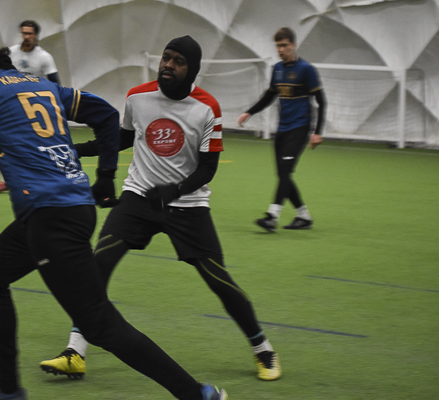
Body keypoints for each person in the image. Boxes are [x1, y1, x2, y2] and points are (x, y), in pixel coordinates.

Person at [0, 9, 226, 400]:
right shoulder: (36, 84)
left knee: (99, 324)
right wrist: (105, 175)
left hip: (51, 219)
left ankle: (197, 394)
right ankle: (7, 386)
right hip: (64, 209)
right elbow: (105, 115)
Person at [40, 35, 281, 383]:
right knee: (97, 266)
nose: (168, 65)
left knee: (218, 280)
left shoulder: (207, 108)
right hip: (138, 198)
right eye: (166, 58)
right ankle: (75, 351)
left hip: (187, 205)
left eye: (178, 61)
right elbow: (122, 139)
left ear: (192, 70)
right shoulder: (137, 97)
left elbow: (208, 168)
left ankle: (262, 348)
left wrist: (175, 191)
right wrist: (78, 149)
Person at [238, 27, 326, 232]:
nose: (281, 49)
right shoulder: (277, 69)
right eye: (278, 46)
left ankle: (272, 216)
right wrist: (249, 112)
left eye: (284, 45)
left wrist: (318, 132)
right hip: (282, 129)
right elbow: (270, 96)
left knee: (285, 171)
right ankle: (303, 216)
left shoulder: (306, 69)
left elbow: (322, 101)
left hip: (300, 127)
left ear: (293, 45)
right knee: (283, 175)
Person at [0, 20, 61, 193]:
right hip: (11, 105)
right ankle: (6, 180)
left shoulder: (44, 57)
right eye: (24, 33)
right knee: (5, 142)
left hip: (34, 107)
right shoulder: (11, 53)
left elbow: (55, 83)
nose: (26, 36)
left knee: (35, 145)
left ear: (36, 35)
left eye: (30, 34)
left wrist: (55, 105)